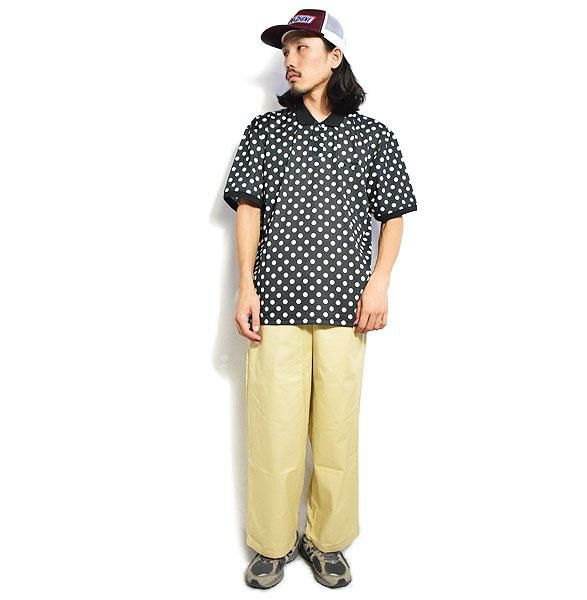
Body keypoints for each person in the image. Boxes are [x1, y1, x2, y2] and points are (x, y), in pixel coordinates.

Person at [222, 8, 417, 589]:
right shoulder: (265, 131)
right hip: (276, 305)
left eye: (302, 48)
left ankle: (327, 541)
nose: (290, 59)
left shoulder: (373, 136)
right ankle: (271, 543)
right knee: (273, 430)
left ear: (334, 57)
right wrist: (245, 285)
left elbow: (394, 216)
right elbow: (248, 211)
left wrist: (380, 282)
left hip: (345, 307)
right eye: (285, 50)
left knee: (335, 432)